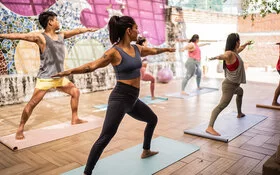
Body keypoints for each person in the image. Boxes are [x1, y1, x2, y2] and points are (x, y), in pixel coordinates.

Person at [52, 15, 175, 175]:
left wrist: (167, 49)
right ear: (128, 30)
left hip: (132, 99)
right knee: (105, 136)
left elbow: (153, 50)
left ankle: (145, 151)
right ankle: (87, 172)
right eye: (136, 28)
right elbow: (92, 65)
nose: (138, 31)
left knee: (152, 119)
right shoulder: (114, 52)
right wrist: (69, 71)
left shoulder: (137, 48)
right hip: (120, 98)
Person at [0, 11, 98, 139]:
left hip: (59, 77)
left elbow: (77, 31)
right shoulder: (41, 38)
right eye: (56, 20)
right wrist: (1, 35)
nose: (58, 22)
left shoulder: (61, 35)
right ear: (50, 22)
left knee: (75, 92)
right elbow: (19, 36)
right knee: (32, 104)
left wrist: (87, 29)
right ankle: (20, 128)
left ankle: (75, 118)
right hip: (46, 79)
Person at [205, 33, 252, 136]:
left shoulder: (236, 52)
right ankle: (209, 127)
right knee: (222, 105)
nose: (240, 42)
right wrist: (215, 57)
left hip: (235, 86)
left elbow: (241, 48)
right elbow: (224, 56)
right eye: (239, 41)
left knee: (240, 92)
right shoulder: (230, 54)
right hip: (229, 86)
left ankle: (239, 113)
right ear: (235, 42)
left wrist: (246, 44)